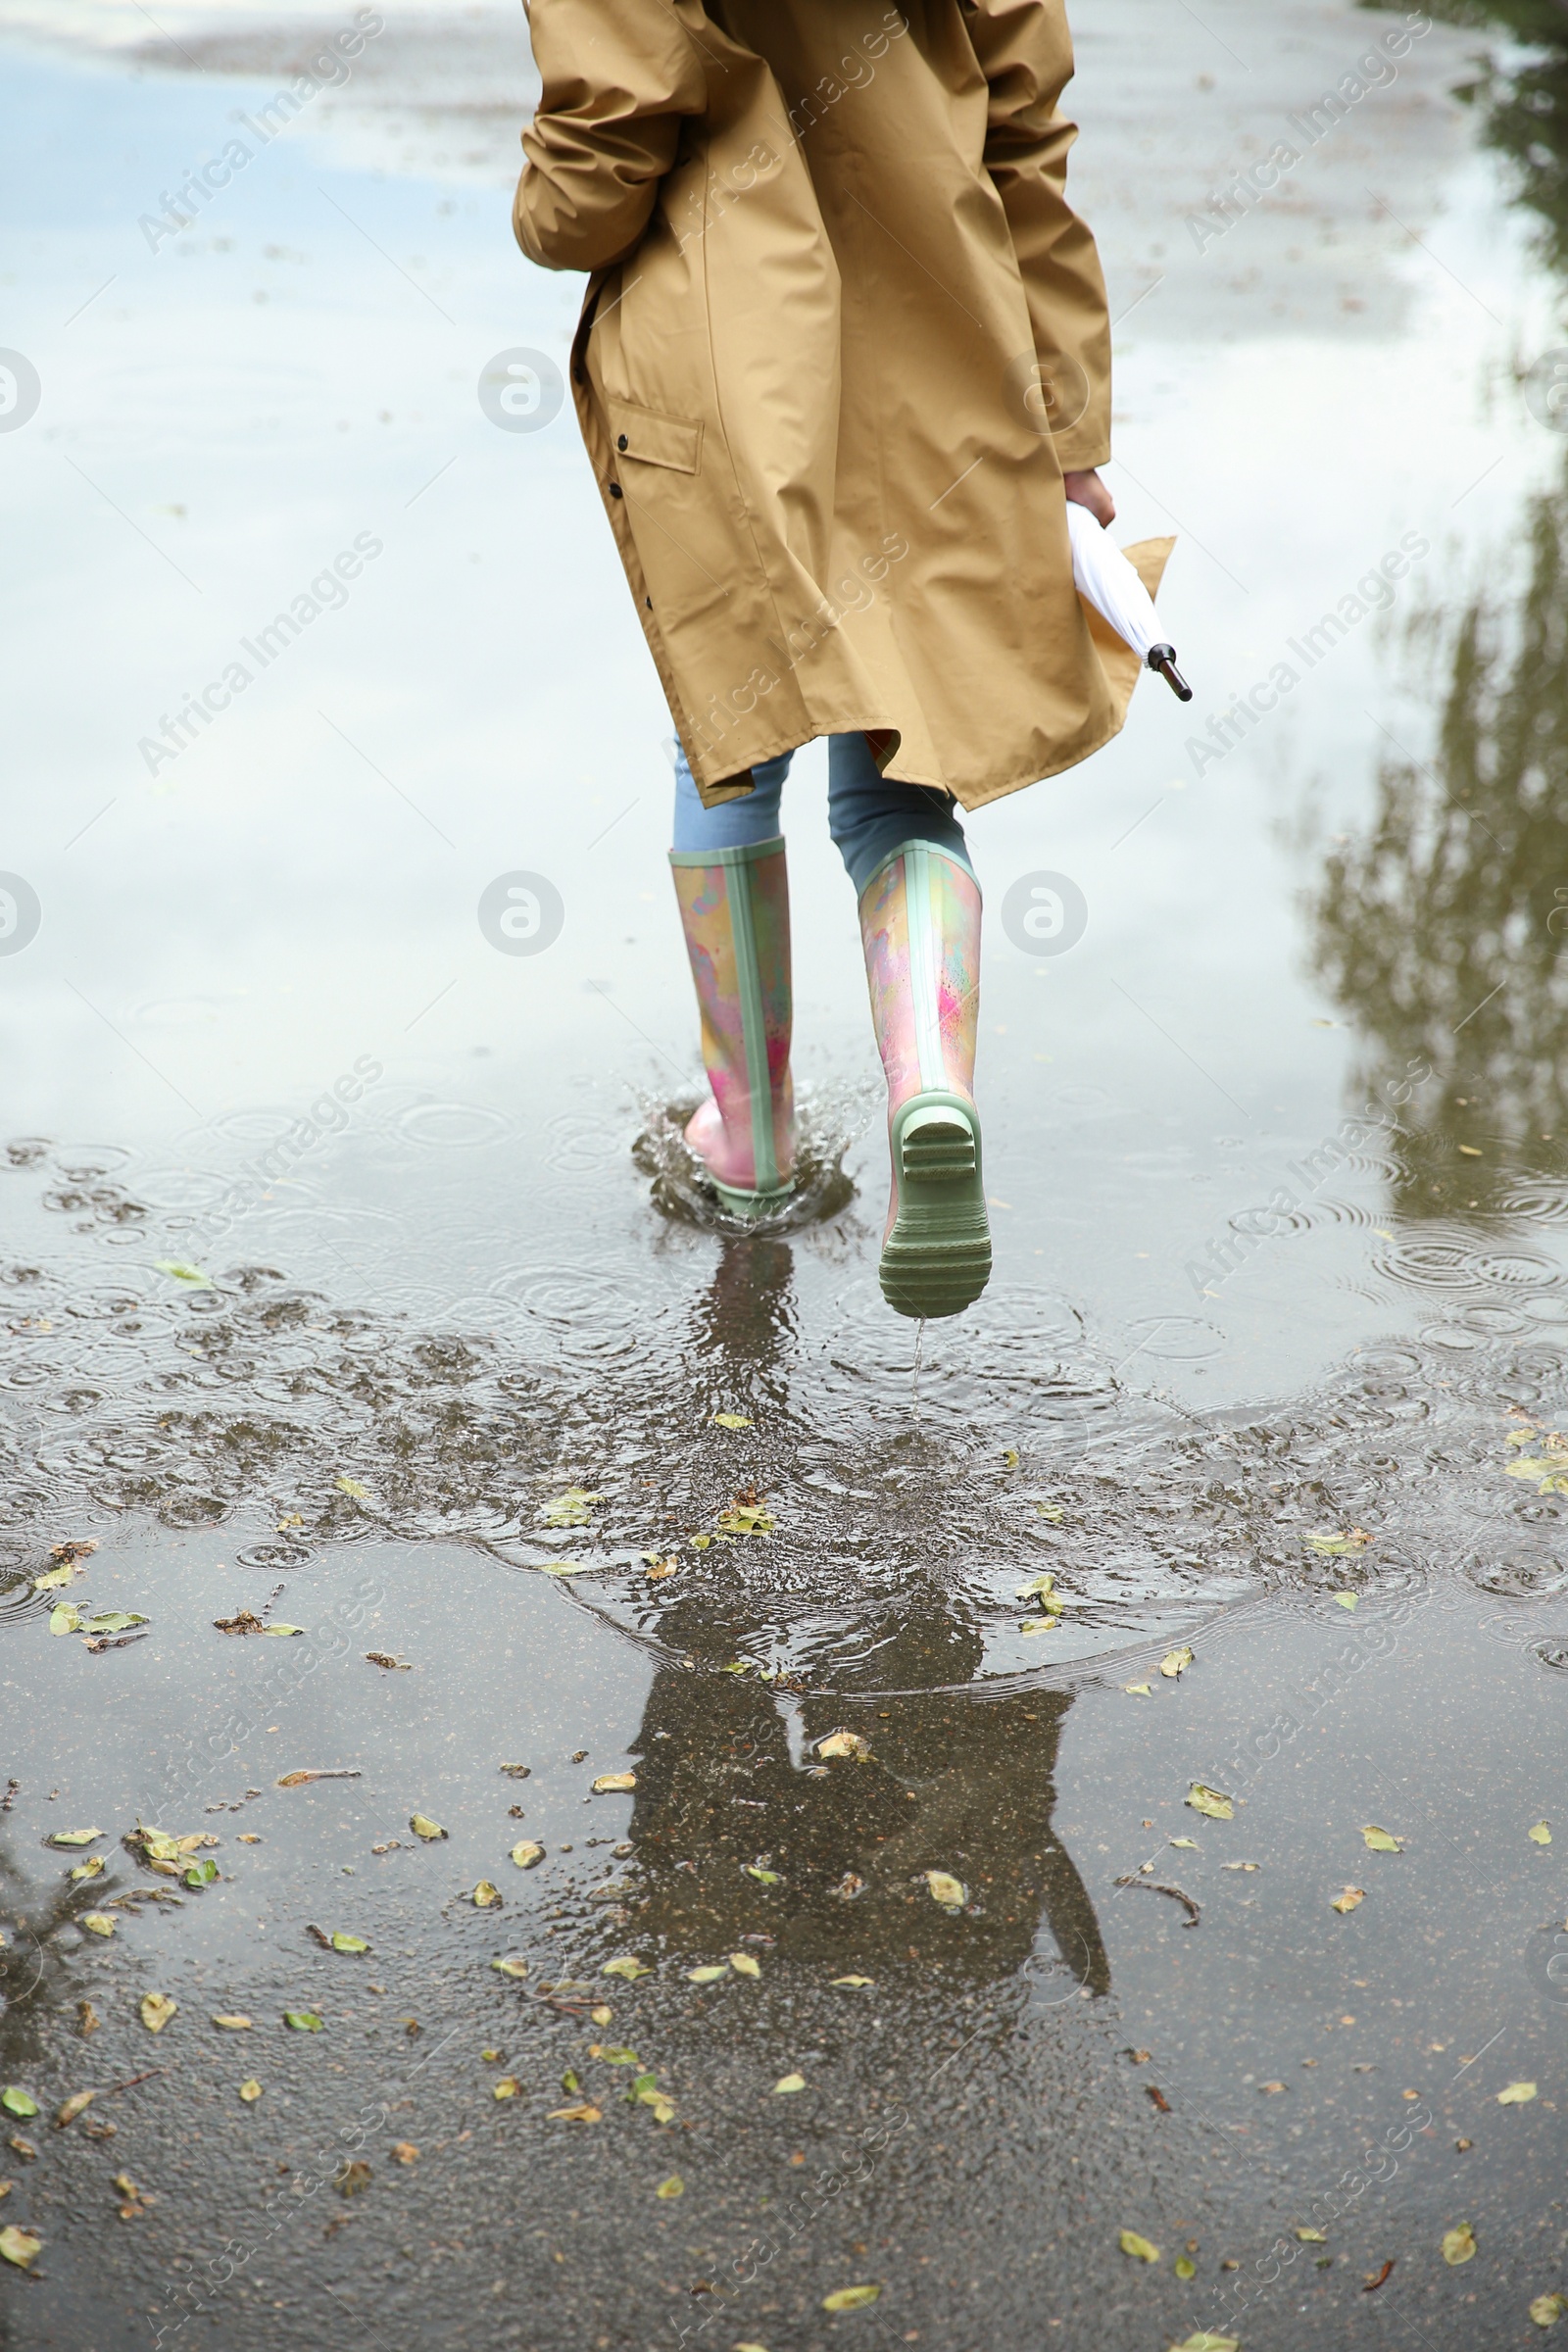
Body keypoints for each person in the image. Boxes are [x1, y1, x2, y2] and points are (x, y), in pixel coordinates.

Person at [514, 0, 1165, 1319]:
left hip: (726, 353)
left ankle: (748, 1144)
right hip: (943, 340)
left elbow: (604, 150)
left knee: (733, 735)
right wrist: (1073, 432)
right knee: (901, 760)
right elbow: (1026, 136)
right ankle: (932, 1081)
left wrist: (543, 213)